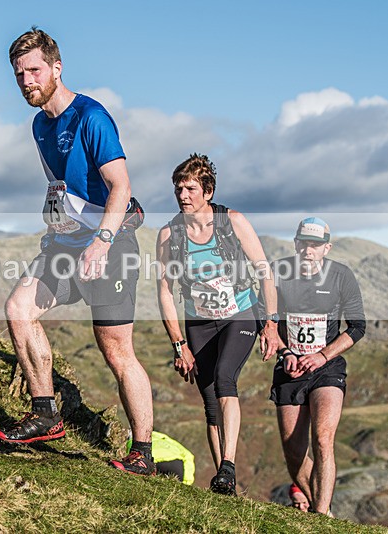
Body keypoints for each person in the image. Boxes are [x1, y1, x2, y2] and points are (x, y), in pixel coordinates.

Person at [0, 28, 155, 476]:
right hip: (67, 243)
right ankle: (46, 412)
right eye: (18, 74)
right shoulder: (38, 125)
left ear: (56, 68)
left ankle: (142, 452)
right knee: (18, 307)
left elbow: (120, 187)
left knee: (116, 351)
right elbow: (63, 186)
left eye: (34, 70)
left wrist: (102, 243)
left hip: (111, 242)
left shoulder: (92, 116)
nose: (26, 80)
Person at [156, 153, 279, 495]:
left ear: (207, 191)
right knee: (210, 401)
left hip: (240, 313)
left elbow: (264, 272)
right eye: (178, 188)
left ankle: (227, 466)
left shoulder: (232, 221)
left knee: (226, 378)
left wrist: (270, 324)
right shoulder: (169, 234)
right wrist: (178, 343)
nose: (183, 195)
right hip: (199, 322)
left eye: (191, 188)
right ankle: (225, 486)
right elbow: (165, 291)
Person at [268, 217, 365, 515]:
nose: (309, 251)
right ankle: (318, 506)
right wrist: (285, 353)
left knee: (323, 438)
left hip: (327, 368)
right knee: (294, 456)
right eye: (304, 244)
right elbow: (267, 321)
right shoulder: (278, 272)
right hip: (290, 368)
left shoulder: (341, 276)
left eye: (316, 245)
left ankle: (322, 513)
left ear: (327, 248)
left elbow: (357, 327)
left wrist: (323, 356)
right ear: (296, 244)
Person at [125, 430, 196, 485]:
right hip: (182, 467)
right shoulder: (167, 440)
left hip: (152, 457)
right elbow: (188, 455)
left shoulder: (147, 435)